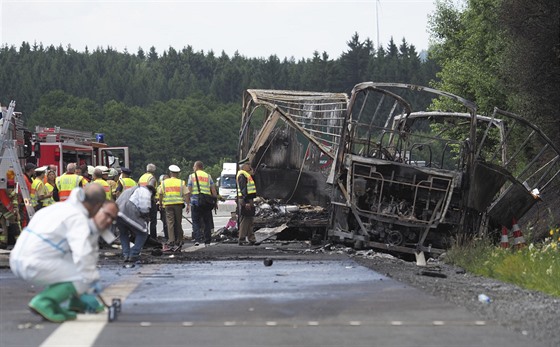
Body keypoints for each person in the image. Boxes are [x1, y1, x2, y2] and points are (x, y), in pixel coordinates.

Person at [9, 183, 113, 323]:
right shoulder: (78, 218)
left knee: (71, 266)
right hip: (34, 263)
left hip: (17, 259)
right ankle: (44, 302)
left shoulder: (58, 207)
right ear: (97, 205)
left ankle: (71, 303)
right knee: (82, 274)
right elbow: (82, 253)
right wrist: (92, 281)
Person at [116, 185, 155, 262]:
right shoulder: (145, 191)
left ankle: (126, 254)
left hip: (117, 213)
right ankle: (134, 254)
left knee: (123, 233)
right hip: (127, 212)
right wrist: (145, 218)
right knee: (143, 233)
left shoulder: (128, 190)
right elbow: (144, 208)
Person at [186, 161, 218, 246]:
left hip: (195, 202)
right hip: (206, 202)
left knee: (196, 221)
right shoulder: (208, 176)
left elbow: (189, 190)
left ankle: (197, 239)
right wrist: (215, 201)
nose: (193, 168)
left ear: (196, 167)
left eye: (193, 166)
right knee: (207, 221)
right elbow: (213, 190)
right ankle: (207, 241)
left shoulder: (192, 176)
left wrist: (188, 203)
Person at [159, 165, 187, 252]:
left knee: (170, 223)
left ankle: (171, 240)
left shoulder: (164, 183)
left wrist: (160, 203)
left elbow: (160, 193)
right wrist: (188, 203)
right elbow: (186, 193)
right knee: (178, 222)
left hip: (168, 205)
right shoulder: (181, 182)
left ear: (170, 173)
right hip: (178, 204)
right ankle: (179, 240)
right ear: (178, 174)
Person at [236, 162, 257, 245]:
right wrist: (247, 202)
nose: (250, 166)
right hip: (245, 199)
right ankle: (241, 239)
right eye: (248, 165)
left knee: (250, 220)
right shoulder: (242, 176)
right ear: (243, 167)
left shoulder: (246, 175)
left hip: (248, 199)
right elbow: (243, 189)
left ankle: (252, 239)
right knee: (245, 220)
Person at [138, 163, 158, 240]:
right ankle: (153, 237)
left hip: (141, 201)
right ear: (154, 170)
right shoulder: (151, 178)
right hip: (149, 201)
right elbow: (151, 188)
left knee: (144, 220)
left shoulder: (141, 177)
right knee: (153, 220)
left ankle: (144, 237)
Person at [157, 174, 169, 241]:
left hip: (164, 206)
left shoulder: (160, 186)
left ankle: (167, 236)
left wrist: (160, 204)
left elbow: (159, 196)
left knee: (165, 222)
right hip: (170, 205)